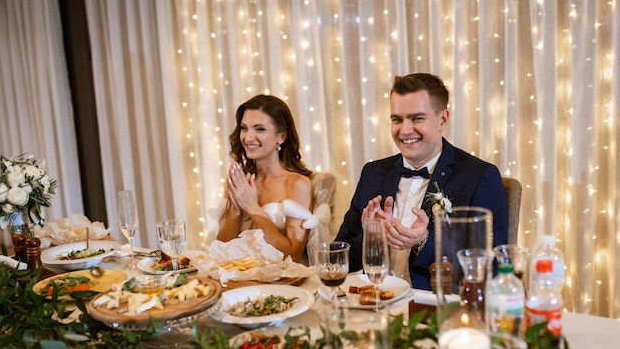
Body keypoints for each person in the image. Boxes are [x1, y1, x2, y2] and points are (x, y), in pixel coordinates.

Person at [335, 73, 508, 290]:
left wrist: (424, 241)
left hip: (435, 307)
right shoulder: (373, 173)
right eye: (397, 119)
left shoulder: (480, 176)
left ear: (443, 119)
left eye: (417, 118)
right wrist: (370, 237)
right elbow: (340, 257)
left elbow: (493, 266)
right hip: (373, 301)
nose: (405, 130)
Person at [217, 94, 314, 263]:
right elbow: (221, 249)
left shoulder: (297, 184)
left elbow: (292, 256)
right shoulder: (241, 181)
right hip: (241, 277)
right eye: (244, 128)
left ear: (281, 136)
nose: (248, 137)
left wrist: (252, 207)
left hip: (282, 283)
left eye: (259, 129)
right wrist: (236, 208)